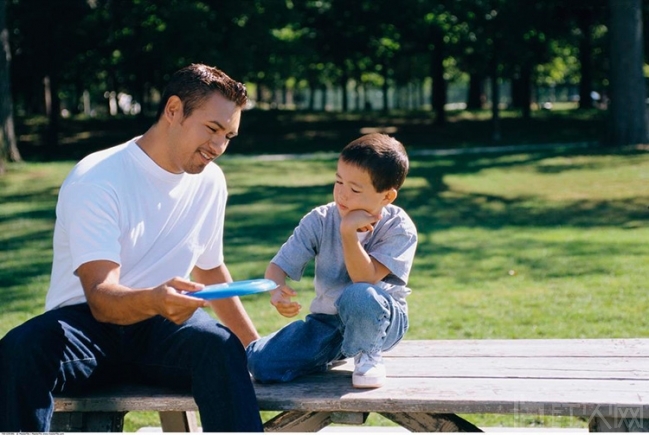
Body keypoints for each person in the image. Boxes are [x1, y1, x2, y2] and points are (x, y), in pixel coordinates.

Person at [0, 64, 264, 432]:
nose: (219, 147)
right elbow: (101, 298)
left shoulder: (210, 182)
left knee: (219, 346)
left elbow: (209, 268)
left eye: (229, 136)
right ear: (174, 110)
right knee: (20, 350)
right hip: (84, 327)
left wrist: (256, 349)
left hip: (161, 329)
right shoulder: (98, 177)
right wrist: (156, 299)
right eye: (213, 129)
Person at [246, 133, 418, 389]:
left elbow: (365, 279)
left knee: (358, 294)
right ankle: (331, 351)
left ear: (386, 197)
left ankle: (367, 356)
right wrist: (276, 289)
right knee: (260, 362)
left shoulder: (398, 227)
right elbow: (278, 265)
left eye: (355, 189)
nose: (342, 195)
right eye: (338, 182)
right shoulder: (320, 219)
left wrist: (348, 233)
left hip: (381, 320)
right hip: (329, 322)